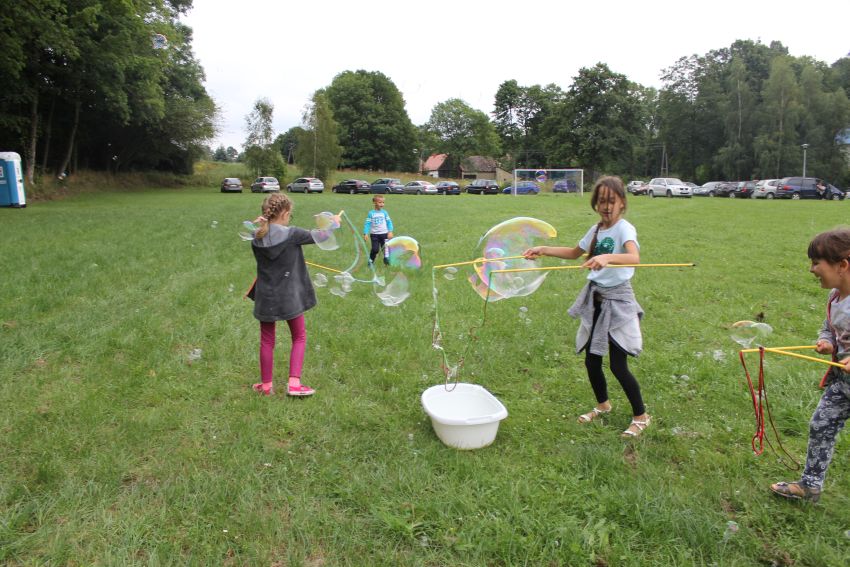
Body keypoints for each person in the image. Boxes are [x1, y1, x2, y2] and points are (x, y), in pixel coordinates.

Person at [524, 176, 650, 438]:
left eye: (611, 201)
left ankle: (641, 416)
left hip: (618, 301)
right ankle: (603, 405)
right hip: (596, 299)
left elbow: (634, 257)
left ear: (622, 203)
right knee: (592, 361)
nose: (606, 206)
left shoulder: (624, 228)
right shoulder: (596, 230)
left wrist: (607, 257)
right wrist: (543, 249)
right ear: (595, 204)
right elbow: (574, 253)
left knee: (617, 365)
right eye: (601, 201)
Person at [770, 229, 850, 502]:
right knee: (821, 424)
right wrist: (826, 341)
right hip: (843, 383)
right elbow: (829, 328)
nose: (811, 269)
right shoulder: (835, 297)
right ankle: (810, 485)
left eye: (817, 263)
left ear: (842, 265)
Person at [246, 193, 338, 397]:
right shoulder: (293, 234)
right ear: (286, 213)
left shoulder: (256, 236)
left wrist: (261, 225)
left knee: (267, 340)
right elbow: (321, 236)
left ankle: (266, 386)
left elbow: (260, 232)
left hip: (266, 296)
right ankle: (294, 384)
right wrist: (333, 223)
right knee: (299, 336)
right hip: (290, 296)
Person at [363, 195, 394, 265]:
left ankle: (386, 262)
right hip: (374, 235)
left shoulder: (384, 213)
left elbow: (389, 222)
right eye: (380, 202)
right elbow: (367, 224)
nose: (382, 204)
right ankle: (371, 261)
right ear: (374, 203)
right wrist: (365, 233)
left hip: (384, 234)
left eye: (383, 202)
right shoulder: (371, 213)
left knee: (386, 250)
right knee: (375, 250)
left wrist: (390, 231)